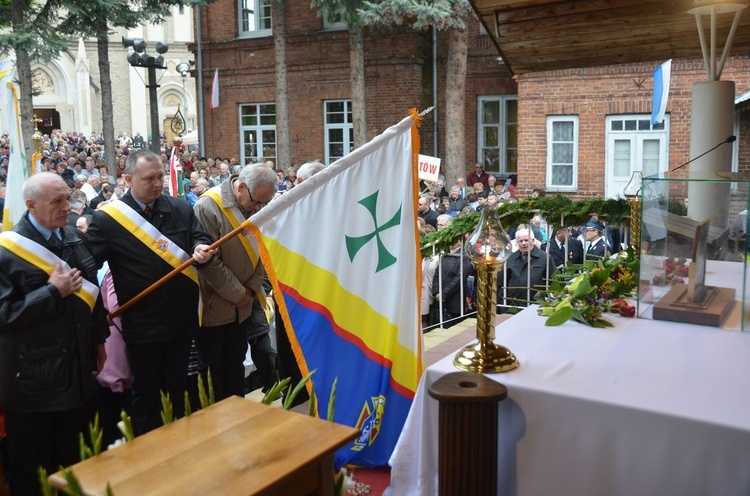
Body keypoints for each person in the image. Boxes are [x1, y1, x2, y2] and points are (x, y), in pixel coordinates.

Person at [87, 150, 214, 436]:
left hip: (182, 320)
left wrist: (200, 248)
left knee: (179, 390)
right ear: (128, 179)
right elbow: (88, 267)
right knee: (146, 394)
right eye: (149, 179)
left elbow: (199, 235)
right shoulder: (108, 220)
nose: (158, 184)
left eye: (160, 177)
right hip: (142, 324)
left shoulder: (179, 207)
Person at [0, 172, 108, 494]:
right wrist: (50, 293)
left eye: (68, 197)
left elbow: (94, 295)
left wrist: (100, 340)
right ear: (31, 205)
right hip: (34, 386)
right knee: (33, 474)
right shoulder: (7, 253)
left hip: (78, 376)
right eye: (57, 201)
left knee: (78, 466)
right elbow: (4, 315)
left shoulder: (74, 238)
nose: (67, 206)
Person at [194, 164, 278, 400]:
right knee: (215, 374)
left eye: (264, 203)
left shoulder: (254, 205)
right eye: (257, 202)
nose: (259, 208)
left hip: (243, 307)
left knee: (235, 369)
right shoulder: (208, 206)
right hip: (216, 309)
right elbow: (209, 263)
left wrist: (251, 289)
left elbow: (262, 252)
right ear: (241, 187)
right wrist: (239, 293)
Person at [499, 227, 554, 308]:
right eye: (521, 241)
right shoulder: (510, 258)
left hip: (536, 306)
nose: (524, 243)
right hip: (512, 306)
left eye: (526, 240)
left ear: (533, 240)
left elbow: (553, 282)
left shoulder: (545, 258)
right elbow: (501, 283)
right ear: (517, 243)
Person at [432, 214, 471, 325]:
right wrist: (436, 292)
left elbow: (459, 278)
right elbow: (437, 273)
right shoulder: (445, 253)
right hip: (440, 298)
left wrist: (444, 294)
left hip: (455, 300)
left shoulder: (464, 256)